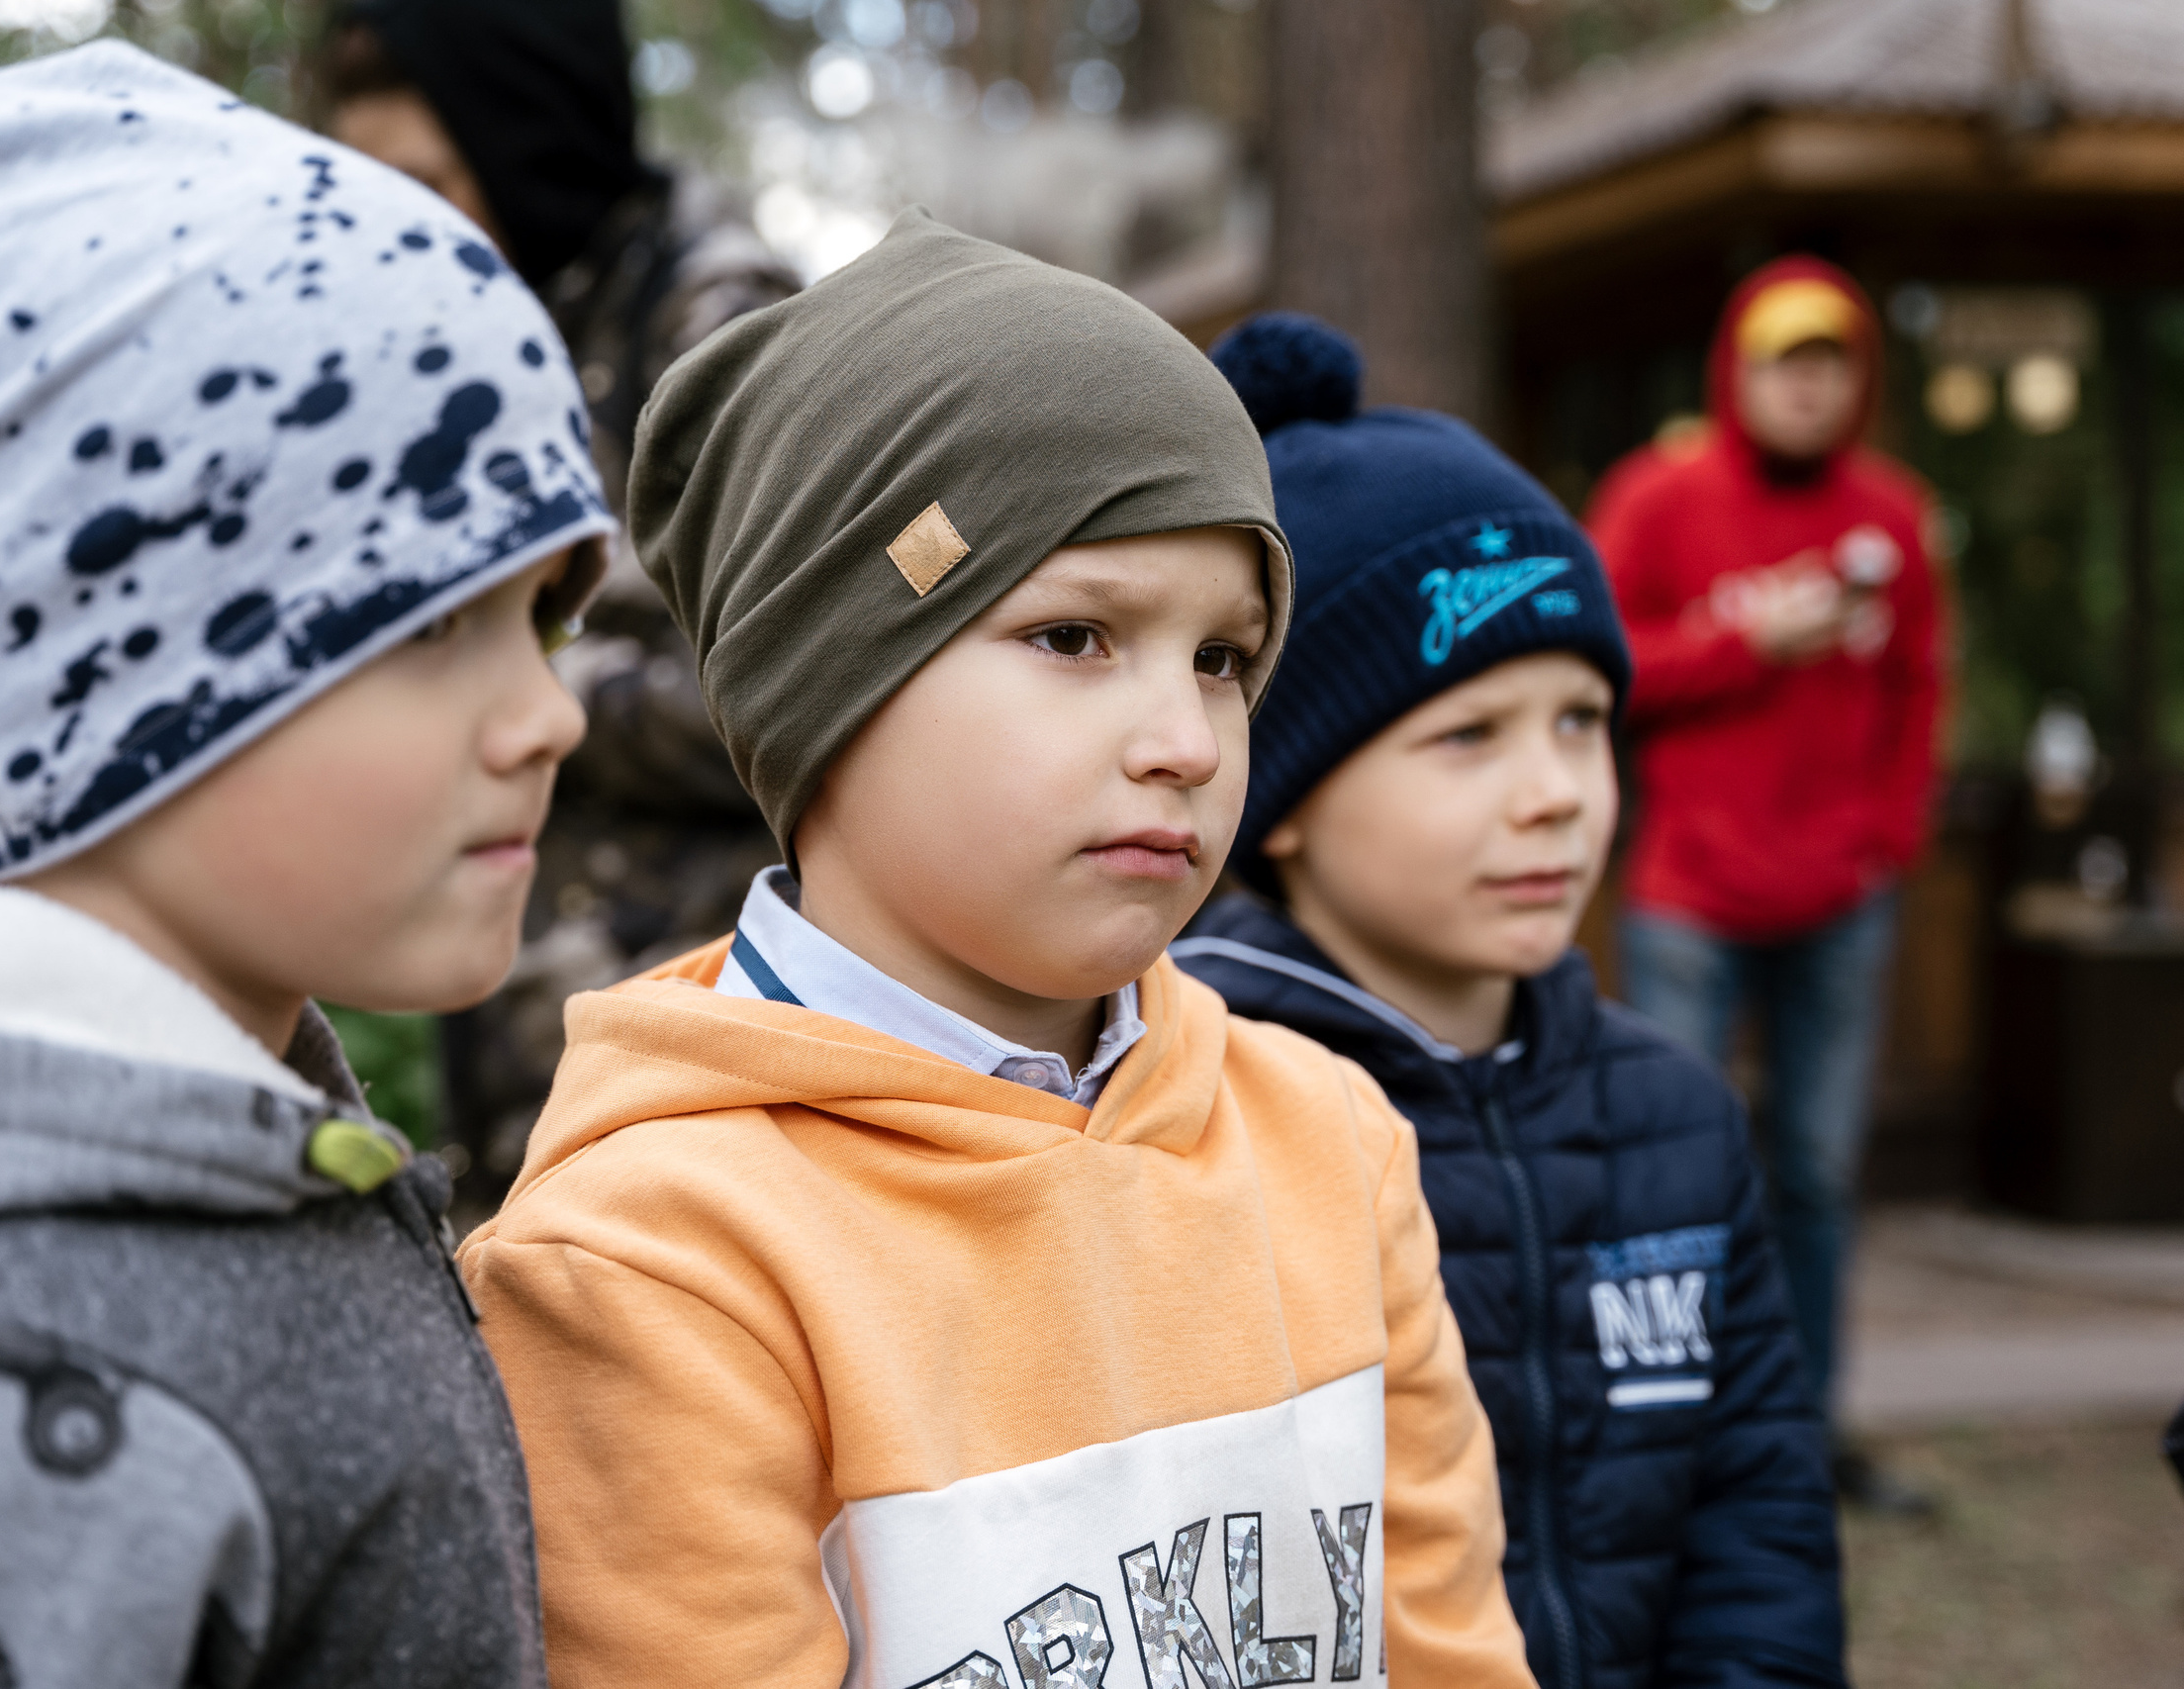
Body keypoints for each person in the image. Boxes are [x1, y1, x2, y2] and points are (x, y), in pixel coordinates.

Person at [459, 212, 1533, 1689]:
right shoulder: (651, 1260)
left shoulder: (1331, 1138)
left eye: (1222, 657)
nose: (1182, 743)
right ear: (828, 682)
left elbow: (1453, 1647)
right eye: (1076, 635)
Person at [0, 43, 617, 1684]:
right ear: (97, 677)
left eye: (545, 615)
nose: (551, 715)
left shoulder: (211, 1162)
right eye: (436, 620)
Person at [1177, 315, 1844, 1689]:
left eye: (1581, 720)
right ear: (1282, 799)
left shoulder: (1678, 1119)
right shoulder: (1184, 1110)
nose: (1553, 790)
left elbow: (1761, 1533)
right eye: (1468, 735)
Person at [322, 0, 797, 1204]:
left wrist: (511, 679)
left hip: (711, 1062)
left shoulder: (717, 329)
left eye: (429, 178)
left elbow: (811, 687)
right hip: (519, 1029)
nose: (401, 227)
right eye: (366, 186)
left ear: (527, 138)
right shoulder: (463, 314)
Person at [1587, 256, 1945, 1509]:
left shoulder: (1890, 519)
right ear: (1735, 373)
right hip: (1689, 893)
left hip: (1840, 901)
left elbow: (1920, 690)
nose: (1808, 385)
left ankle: (1801, 1435)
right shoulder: (1658, 498)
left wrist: (1886, 844)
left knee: (1815, 1175)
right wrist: (1751, 643)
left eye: (1830, 360)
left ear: (1859, 378)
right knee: (1675, 1166)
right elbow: (1597, 655)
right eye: (1784, 361)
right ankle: (1673, 1437)